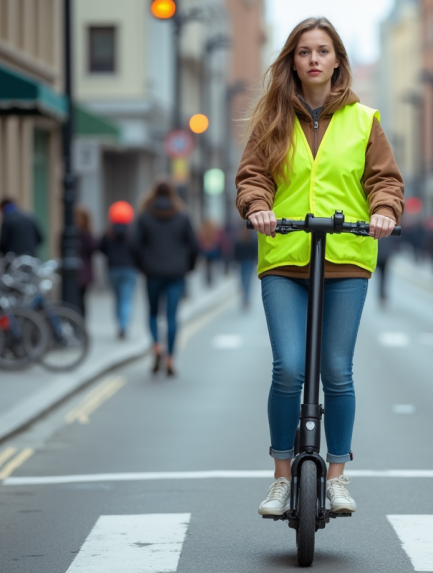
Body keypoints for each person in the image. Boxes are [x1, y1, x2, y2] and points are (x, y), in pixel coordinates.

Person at [235, 17, 404, 516]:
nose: (313, 59)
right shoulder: (272, 118)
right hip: (285, 257)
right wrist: (258, 207)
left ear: (337, 61)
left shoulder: (364, 119)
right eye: (304, 51)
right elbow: (252, 176)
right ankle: (281, 479)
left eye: (322, 51)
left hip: (347, 258)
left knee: (336, 370)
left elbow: (385, 180)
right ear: (293, 60)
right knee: (288, 367)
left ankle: (337, 477)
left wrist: (384, 212)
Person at [130, 179, 200, 377]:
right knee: (172, 317)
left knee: (153, 313)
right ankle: (170, 358)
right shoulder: (182, 216)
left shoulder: (145, 216)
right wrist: (189, 266)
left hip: (152, 272)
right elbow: (194, 246)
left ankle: (156, 347)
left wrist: (141, 265)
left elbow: (134, 245)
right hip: (176, 273)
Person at [99, 201, 139, 339]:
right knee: (126, 300)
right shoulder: (133, 233)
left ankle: (119, 325)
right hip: (129, 270)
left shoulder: (108, 233)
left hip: (113, 270)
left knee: (117, 299)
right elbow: (138, 250)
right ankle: (124, 326)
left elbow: (101, 248)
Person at [74, 207, 97, 318]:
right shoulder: (71, 232)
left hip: (83, 272)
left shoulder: (86, 234)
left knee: (81, 299)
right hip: (75, 271)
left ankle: (81, 321)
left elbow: (93, 248)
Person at [232, 227, 258, 311]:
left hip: (244, 263)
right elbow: (255, 251)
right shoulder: (251, 241)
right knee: (247, 281)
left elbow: (235, 253)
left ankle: (245, 297)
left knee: (244, 281)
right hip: (248, 263)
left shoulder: (240, 242)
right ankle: (246, 297)